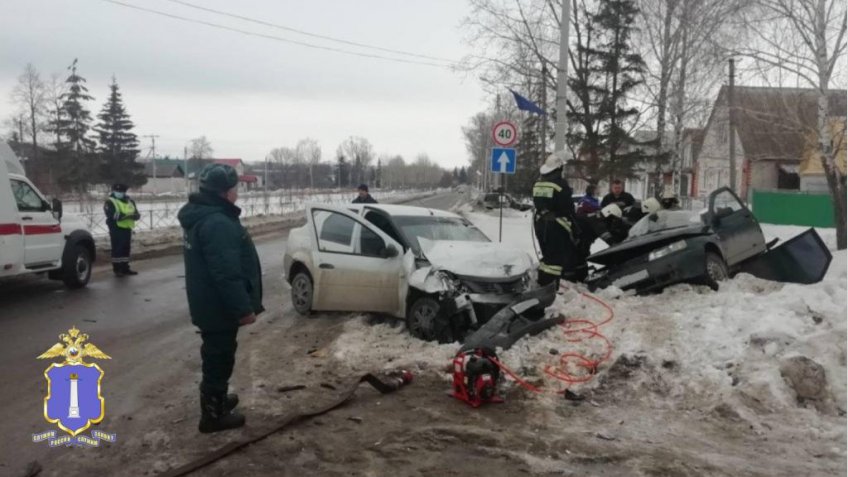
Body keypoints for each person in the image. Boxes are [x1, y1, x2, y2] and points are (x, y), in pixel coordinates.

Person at [177, 163, 264, 433]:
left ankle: (217, 399)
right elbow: (226, 273)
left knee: (218, 353)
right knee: (219, 356)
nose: (237, 192)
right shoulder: (216, 222)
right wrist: (243, 309)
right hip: (218, 306)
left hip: (210, 302)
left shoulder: (204, 215)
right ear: (225, 192)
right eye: (235, 187)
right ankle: (213, 416)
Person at [532, 151, 587, 287]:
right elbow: (567, 208)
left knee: (547, 255)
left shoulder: (538, 184)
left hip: (540, 223)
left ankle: (543, 280)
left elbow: (539, 203)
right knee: (557, 257)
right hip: (556, 225)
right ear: (559, 168)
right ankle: (551, 286)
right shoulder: (561, 184)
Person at [104, 183, 141, 276]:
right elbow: (111, 214)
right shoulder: (110, 201)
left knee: (125, 248)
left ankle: (125, 268)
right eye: (117, 191)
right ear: (114, 191)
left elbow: (135, 212)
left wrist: (136, 216)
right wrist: (124, 216)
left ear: (124, 192)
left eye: (121, 191)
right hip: (115, 227)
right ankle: (117, 269)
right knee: (117, 249)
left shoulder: (130, 201)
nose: (119, 193)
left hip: (127, 227)